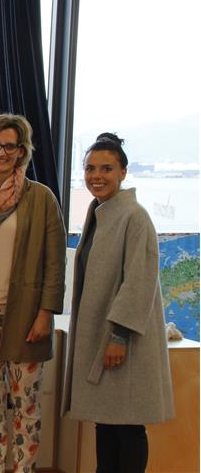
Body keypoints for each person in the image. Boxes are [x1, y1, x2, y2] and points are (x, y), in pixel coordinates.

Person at [62, 133, 174, 473]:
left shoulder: (134, 216)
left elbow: (138, 281)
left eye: (106, 168)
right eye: (90, 168)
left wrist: (119, 336)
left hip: (123, 339)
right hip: (103, 335)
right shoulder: (101, 213)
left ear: (123, 172)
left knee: (128, 425)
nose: (96, 175)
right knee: (106, 420)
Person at [0, 114, 65, 473]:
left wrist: (46, 313)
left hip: (26, 317)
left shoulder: (42, 198)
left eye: (10, 146)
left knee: (26, 405)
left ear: (22, 151)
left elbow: (55, 262)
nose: (1, 152)